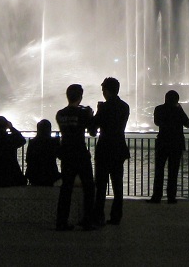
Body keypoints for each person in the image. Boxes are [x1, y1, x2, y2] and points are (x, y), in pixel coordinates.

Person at [90, 77, 131, 226]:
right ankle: (116, 216)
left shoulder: (105, 108)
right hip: (119, 148)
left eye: (103, 91)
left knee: (101, 186)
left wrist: (95, 113)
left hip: (104, 149)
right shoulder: (125, 107)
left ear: (106, 91)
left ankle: (99, 216)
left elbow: (93, 129)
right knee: (117, 185)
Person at [56, 83, 97, 230]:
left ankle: (61, 221)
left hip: (66, 153)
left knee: (66, 188)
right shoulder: (83, 113)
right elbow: (92, 132)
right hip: (80, 153)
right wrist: (91, 116)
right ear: (80, 97)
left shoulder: (60, 114)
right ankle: (87, 220)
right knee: (89, 187)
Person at [149, 89, 189, 203]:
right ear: (177, 100)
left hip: (162, 142)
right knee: (173, 172)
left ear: (165, 98)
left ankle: (156, 197)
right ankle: (171, 197)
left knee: (159, 171)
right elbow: (188, 124)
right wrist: (180, 110)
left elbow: (157, 122)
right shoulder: (178, 111)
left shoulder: (159, 109)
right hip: (176, 144)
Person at [25, 119, 61, 186]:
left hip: (34, 174)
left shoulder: (33, 142)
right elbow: (61, 155)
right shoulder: (53, 142)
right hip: (50, 173)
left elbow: (28, 159)